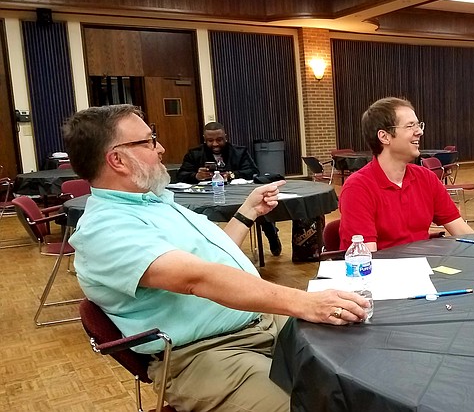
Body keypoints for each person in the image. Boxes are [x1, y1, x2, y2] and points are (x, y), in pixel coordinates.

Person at [64, 105, 369, 412]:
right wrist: (305, 301)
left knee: (361, 366)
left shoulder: (154, 204)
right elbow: (197, 278)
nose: (161, 148)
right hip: (207, 352)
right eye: (148, 141)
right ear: (116, 159)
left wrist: (248, 211)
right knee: (306, 406)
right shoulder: (104, 229)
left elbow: (217, 255)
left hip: (262, 323)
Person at [338, 97, 474, 251]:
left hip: (425, 268)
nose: (420, 132)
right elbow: (368, 260)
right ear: (384, 136)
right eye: (410, 126)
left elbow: (462, 231)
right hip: (384, 272)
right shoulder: (358, 188)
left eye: (418, 125)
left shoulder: (426, 178)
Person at [178, 122, 283, 256]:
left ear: (225, 138)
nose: (215, 144)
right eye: (210, 141)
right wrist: (195, 175)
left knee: (260, 204)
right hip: (208, 196)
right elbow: (181, 175)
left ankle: (272, 236)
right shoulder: (194, 154)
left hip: (240, 194)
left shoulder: (239, 151)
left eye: (219, 139)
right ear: (204, 140)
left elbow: (253, 170)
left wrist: (232, 175)